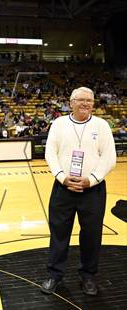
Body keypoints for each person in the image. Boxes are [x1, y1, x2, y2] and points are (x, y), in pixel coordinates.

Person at [41, 87, 116, 296]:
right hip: (63, 187)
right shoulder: (59, 124)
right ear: (71, 102)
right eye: (81, 100)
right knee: (59, 232)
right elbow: (50, 153)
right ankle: (54, 275)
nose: (85, 103)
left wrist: (90, 180)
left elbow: (109, 157)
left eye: (89, 100)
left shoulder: (101, 125)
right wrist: (62, 177)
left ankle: (88, 276)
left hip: (92, 189)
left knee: (92, 234)